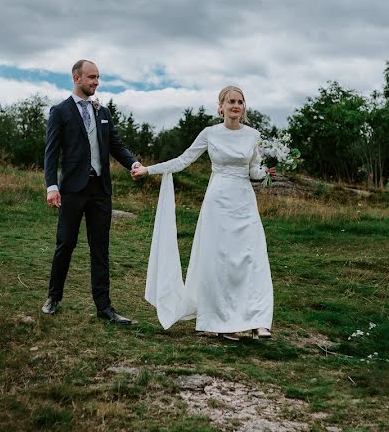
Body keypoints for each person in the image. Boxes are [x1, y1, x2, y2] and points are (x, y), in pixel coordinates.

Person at [131, 86, 275, 339]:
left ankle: (258, 319)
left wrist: (267, 172)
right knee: (218, 262)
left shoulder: (254, 136)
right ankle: (221, 321)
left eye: (240, 102)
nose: (236, 106)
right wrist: (149, 169)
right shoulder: (210, 133)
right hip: (217, 201)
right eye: (231, 101)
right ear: (221, 106)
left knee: (252, 259)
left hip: (244, 202)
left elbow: (253, 171)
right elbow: (183, 160)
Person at [42, 59, 141, 324]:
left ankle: (104, 307)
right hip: (72, 190)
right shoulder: (60, 111)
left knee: (100, 248)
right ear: (76, 78)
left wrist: (133, 162)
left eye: (97, 78)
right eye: (91, 78)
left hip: (100, 190)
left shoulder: (103, 112)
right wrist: (52, 186)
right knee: (66, 244)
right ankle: (54, 297)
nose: (96, 82)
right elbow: (51, 153)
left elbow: (115, 144)